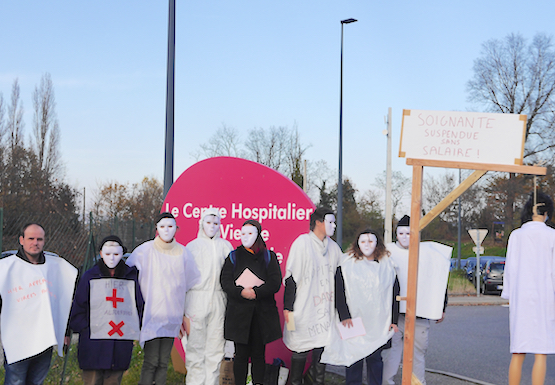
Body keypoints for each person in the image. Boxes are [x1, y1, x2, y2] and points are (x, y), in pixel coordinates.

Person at [126, 212, 201, 385]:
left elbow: (191, 281)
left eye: (170, 226)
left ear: (176, 228)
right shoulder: (145, 251)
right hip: (151, 314)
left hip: (172, 316)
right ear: (156, 229)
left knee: (162, 362)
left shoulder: (183, 253)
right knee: (151, 361)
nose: (166, 230)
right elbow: (129, 273)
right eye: (162, 226)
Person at [0, 223, 78, 385]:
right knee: (16, 381)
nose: (35, 242)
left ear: (44, 241)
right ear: (21, 240)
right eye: (31, 238)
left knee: (37, 382)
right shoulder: (6, 268)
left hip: (45, 338)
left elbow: (64, 302)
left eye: (39, 239)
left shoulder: (56, 267)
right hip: (17, 340)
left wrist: (66, 331)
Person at [321, 228, 399, 385]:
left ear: (377, 243)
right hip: (353, 321)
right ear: (357, 243)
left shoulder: (387, 266)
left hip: (378, 322)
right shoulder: (347, 263)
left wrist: (394, 320)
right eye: (363, 241)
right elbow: (339, 290)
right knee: (354, 357)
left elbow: (394, 293)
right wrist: (344, 315)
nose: (367, 245)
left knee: (375, 359)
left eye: (371, 241)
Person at [381, 215, 451, 385]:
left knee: (417, 353)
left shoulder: (428, 254)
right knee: (392, 353)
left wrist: (440, 306)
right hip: (395, 314)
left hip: (420, 312)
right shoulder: (387, 252)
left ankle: (418, 383)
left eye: (408, 233)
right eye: (401, 233)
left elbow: (438, 280)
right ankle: (387, 382)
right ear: (396, 234)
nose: (405, 237)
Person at [70, 235, 144, 385]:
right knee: (92, 381)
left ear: (122, 254)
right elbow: (79, 306)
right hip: (93, 343)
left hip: (119, 342)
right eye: (108, 254)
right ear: (101, 253)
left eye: (116, 254)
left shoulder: (130, 277)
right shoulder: (89, 277)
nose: (112, 258)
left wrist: (136, 327)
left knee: (113, 381)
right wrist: (86, 328)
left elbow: (139, 306)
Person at [283, 207, 343, 385]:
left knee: (321, 348)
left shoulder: (333, 248)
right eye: (330, 222)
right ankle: (295, 382)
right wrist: (288, 307)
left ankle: (318, 382)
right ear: (318, 222)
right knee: (300, 346)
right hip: (303, 306)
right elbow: (291, 277)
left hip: (323, 308)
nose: (334, 225)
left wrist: (343, 312)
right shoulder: (302, 243)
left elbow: (340, 280)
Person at [501, 192, 555, 385]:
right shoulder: (552, 236)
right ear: (546, 212)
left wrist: (508, 293)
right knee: (541, 351)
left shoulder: (516, 236)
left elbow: (510, 268)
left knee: (518, 350)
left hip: (521, 299)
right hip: (545, 298)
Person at [220, 220, 282, 385]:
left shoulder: (269, 256)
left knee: (258, 354)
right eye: (243, 233)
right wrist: (241, 291)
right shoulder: (233, 256)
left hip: (261, 315)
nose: (245, 237)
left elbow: (275, 282)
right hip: (239, 315)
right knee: (240, 355)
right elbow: (225, 282)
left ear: (258, 235)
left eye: (250, 233)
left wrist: (257, 292)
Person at [185, 208, 233, 385]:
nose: (212, 227)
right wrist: (183, 309)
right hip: (196, 300)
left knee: (215, 349)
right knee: (195, 349)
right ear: (201, 224)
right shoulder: (192, 247)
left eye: (215, 223)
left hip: (219, 300)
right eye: (208, 222)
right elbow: (185, 278)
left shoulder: (226, 246)